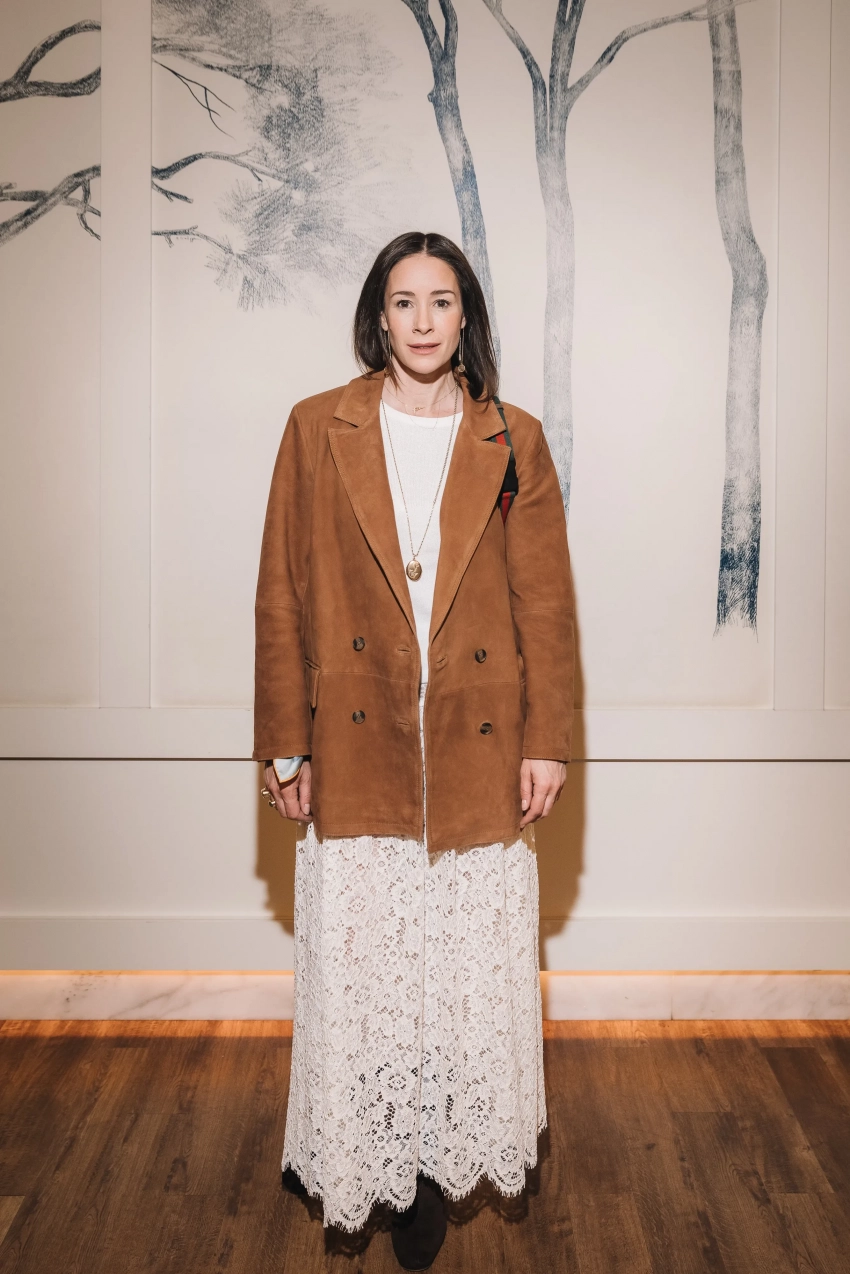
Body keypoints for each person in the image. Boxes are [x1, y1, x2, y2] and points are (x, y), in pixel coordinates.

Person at [253, 230, 575, 1269]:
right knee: (368, 971)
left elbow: (545, 605)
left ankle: (433, 1166)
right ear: (378, 316)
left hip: (478, 743)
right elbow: (281, 593)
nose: (424, 320)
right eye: (404, 301)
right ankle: (366, 1153)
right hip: (359, 739)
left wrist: (548, 740)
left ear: (465, 314)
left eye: (442, 300)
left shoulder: (512, 438)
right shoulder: (317, 426)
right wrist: (284, 744)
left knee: (459, 977)